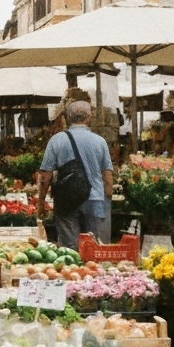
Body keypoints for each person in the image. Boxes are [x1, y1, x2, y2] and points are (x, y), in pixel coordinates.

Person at [35, 101, 113, 250]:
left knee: (70, 249)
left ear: (67, 117)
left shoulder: (57, 140)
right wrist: (106, 202)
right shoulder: (100, 142)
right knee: (94, 247)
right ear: (89, 117)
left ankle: (73, 263)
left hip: (67, 200)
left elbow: (45, 176)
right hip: (94, 200)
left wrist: (41, 202)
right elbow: (107, 178)